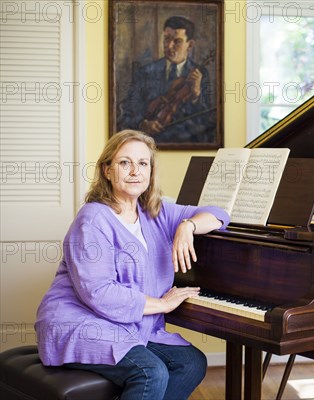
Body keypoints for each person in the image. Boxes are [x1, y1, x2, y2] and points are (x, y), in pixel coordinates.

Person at [34, 130, 230, 399]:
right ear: (107, 170)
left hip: (131, 326)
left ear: (151, 171)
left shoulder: (155, 213)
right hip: (80, 323)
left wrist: (188, 225)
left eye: (143, 163)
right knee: (151, 372)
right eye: (125, 162)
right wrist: (161, 304)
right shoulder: (92, 220)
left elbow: (219, 214)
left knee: (192, 363)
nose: (135, 171)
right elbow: (99, 292)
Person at [117, 16, 215, 145]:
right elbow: (128, 111)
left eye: (177, 41)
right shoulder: (145, 72)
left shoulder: (201, 74)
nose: (169, 46)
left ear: (190, 45)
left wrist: (196, 94)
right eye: (166, 39)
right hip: (150, 144)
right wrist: (142, 124)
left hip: (187, 145)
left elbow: (208, 120)